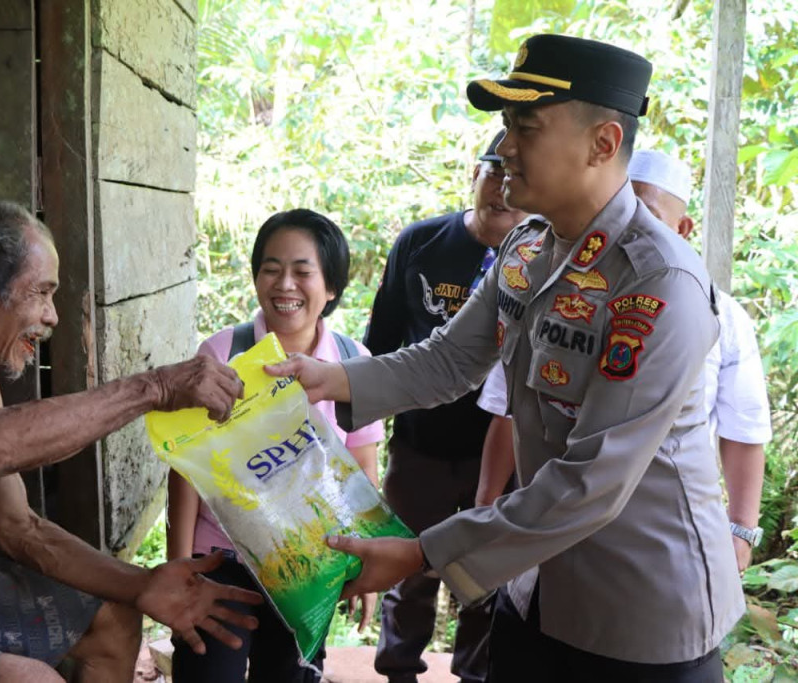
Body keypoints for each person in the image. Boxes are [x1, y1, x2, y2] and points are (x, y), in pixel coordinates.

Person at [267, 34, 743, 681]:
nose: (505, 148)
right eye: (505, 126)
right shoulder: (529, 247)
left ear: (603, 143)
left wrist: (419, 552)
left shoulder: (659, 282)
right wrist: (329, 376)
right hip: (538, 587)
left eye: (527, 127)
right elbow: (448, 359)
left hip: (641, 612)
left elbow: (592, 481)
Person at [0, 201, 263, 683]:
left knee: (115, 621)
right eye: (41, 292)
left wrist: (142, 584)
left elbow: (20, 528)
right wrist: (155, 387)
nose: (53, 316)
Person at [474, 150, 772, 573]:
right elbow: (509, 410)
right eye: (616, 212)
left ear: (683, 229)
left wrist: (741, 531)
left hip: (659, 533)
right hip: (543, 521)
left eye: (646, 215)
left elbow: (743, 427)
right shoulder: (550, 297)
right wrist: (485, 507)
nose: (624, 230)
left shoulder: (719, 315)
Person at [167, 208, 385, 682]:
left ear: (331, 288)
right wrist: (180, 567)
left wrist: (369, 561)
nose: (284, 284)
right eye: (271, 269)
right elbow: (186, 470)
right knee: (207, 672)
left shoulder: (353, 362)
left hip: (308, 568)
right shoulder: (223, 353)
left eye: (302, 272)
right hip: (220, 561)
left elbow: (363, 469)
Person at [362, 132, 526, 683]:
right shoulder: (422, 243)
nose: (502, 189)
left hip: (500, 453)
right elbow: (381, 342)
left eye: (515, 176)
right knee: (406, 567)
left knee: (487, 572)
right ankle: (398, 671)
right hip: (419, 447)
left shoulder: (538, 257)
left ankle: (474, 675)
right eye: (493, 170)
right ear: (472, 174)